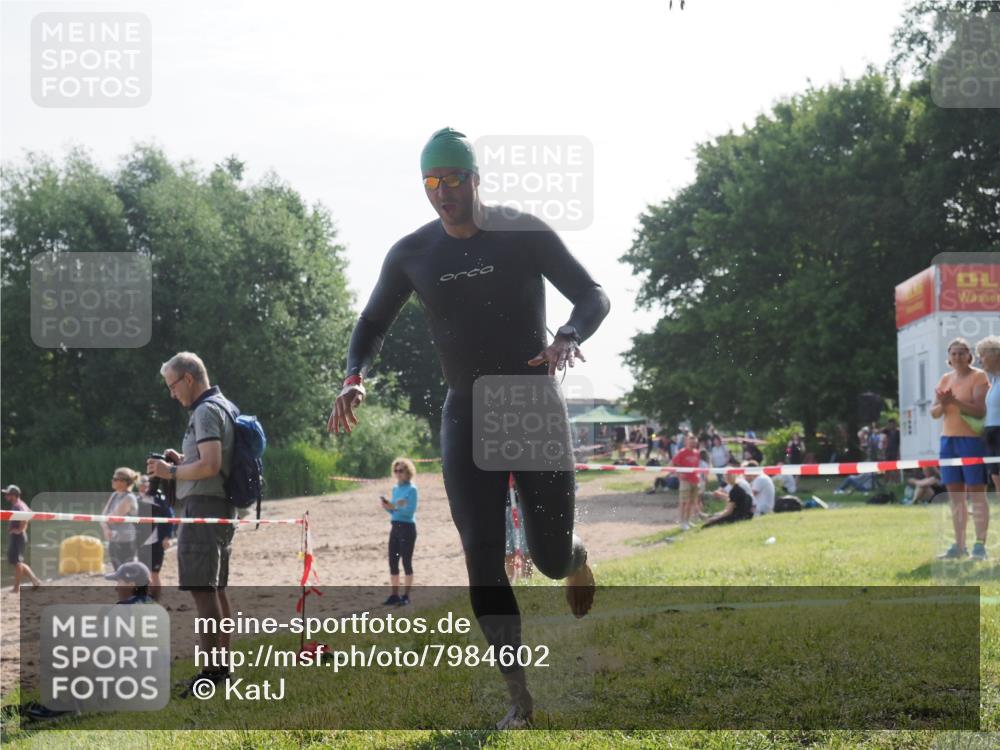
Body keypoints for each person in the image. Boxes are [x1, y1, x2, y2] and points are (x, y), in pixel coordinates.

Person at [327, 128, 609, 729]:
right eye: (432, 183)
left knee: (550, 556)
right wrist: (355, 375)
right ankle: (519, 696)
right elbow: (371, 323)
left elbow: (593, 294)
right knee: (480, 555)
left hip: (530, 403)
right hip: (465, 411)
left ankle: (576, 555)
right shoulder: (412, 253)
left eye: (453, 179)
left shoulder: (522, 232)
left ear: (475, 178)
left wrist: (567, 336)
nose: (443, 193)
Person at [147, 351, 237, 693]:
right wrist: (183, 461)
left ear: (187, 378)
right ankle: (222, 669)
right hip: (219, 505)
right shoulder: (223, 405)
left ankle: (213, 673)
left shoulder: (205, 410)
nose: (172, 394)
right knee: (216, 589)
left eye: (172, 386)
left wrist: (170, 471)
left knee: (203, 591)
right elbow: (210, 461)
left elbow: (212, 465)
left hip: (204, 506)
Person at [931, 337, 990, 560]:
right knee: (955, 497)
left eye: (961, 353)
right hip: (948, 441)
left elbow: (979, 411)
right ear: (948, 357)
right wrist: (944, 404)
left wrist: (954, 402)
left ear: (969, 356)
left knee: (977, 495)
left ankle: (980, 546)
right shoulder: (945, 378)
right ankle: (959, 545)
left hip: (972, 441)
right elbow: (934, 412)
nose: (957, 357)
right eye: (953, 353)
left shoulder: (979, 376)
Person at [381, 458, 418, 606]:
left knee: (406, 561)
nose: (398, 473)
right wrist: (387, 506)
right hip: (395, 527)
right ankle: (394, 594)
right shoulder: (396, 489)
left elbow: (410, 511)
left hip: (408, 528)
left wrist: (394, 506)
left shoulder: (412, 490)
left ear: (408, 472)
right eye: (396, 471)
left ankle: (406, 595)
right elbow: (394, 512)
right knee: (393, 562)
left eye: (401, 470)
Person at [137, 474, 175, 601]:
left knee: (155, 574)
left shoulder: (160, 500)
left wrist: (167, 537)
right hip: (140, 543)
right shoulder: (135, 500)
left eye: (146, 485)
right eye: (141, 486)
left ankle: (156, 600)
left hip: (156, 542)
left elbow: (170, 518)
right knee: (142, 573)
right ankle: (143, 599)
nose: (143, 489)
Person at [976, 335, 1000, 508]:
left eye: (983, 355)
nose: (979, 359)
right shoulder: (993, 380)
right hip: (991, 432)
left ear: (995, 355)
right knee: (995, 475)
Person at [4, 485, 42, 592]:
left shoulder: (18, 506)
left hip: (17, 537)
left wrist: (20, 529)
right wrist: (23, 529)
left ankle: (16, 588)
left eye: (8, 494)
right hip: (19, 537)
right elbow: (30, 514)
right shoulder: (21, 504)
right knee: (17, 562)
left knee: (17, 562)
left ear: (14, 495)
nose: (6, 496)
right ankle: (35, 580)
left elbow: (26, 516)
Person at [101, 468, 140, 570]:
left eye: (115, 479)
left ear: (123, 482)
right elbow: (102, 516)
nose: (112, 481)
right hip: (113, 539)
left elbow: (114, 517)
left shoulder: (129, 498)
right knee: (118, 573)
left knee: (127, 575)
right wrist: (106, 529)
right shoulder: (114, 495)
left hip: (126, 542)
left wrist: (106, 521)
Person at [704, 463, 754, 528]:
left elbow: (728, 511)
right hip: (743, 515)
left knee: (707, 526)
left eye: (726, 475)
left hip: (737, 517)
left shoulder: (734, 490)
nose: (725, 477)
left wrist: (714, 519)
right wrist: (715, 516)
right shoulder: (737, 488)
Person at [670, 434, 701, 531]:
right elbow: (672, 465)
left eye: (694, 442)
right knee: (684, 502)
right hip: (685, 481)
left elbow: (697, 466)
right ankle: (682, 522)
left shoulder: (697, 453)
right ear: (686, 442)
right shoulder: (681, 453)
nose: (693, 443)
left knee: (691, 502)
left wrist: (699, 475)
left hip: (695, 480)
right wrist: (679, 474)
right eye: (691, 441)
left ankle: (688, 520)